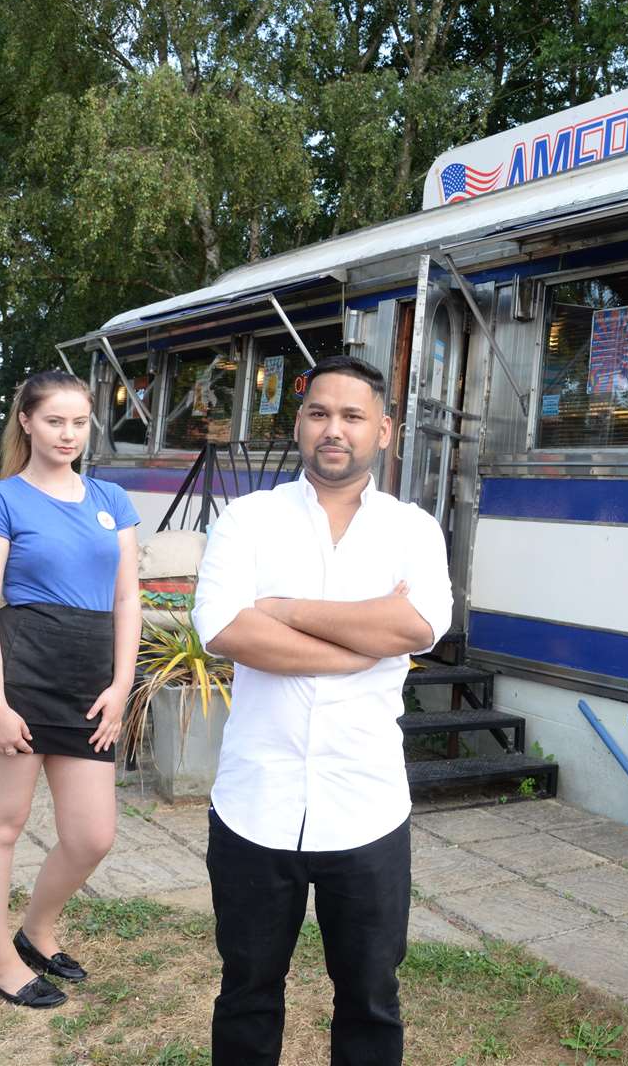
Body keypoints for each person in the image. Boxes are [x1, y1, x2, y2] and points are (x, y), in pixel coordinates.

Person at [191, 354, 452, 1066]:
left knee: (370, 997)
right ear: (300, 424)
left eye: (351, 416)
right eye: (318, 413)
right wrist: (355, 642)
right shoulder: (248, 519)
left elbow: (417, 627)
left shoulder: (414, 530)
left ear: (384, 432)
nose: (333, 429)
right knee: (247, 991)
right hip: (255, 802)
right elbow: (221, 628)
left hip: (365, 806)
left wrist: (285, 610)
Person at [0, 370, 140, 1009]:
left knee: (92, 835)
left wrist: (122, 685)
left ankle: (36, 930)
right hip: (19, 679)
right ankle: (0, 962)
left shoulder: (112, 500)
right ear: (27, 422)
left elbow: (125, 599)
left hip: (90, 687)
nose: (68, 433)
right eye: (55, 420)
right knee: (0, 827)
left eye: (79, 421)